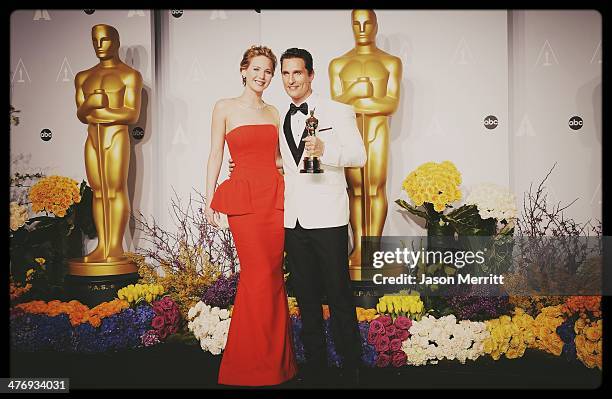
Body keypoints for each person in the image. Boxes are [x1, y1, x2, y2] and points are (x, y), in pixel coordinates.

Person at [204, 45, 297, 386]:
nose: (262, 76)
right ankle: (248, 366)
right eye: (256, 69)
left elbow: (279, 158)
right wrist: (210, 197)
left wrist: (267, 163)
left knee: (273, 276)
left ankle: (277, 364)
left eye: (268, 71)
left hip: (274, 197)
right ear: (244, 70)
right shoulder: (224, 107)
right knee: (256, 275)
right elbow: (216, 152)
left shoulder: (275, 111)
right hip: (244, 201)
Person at [278, 48, 366, 386]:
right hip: (294, 219)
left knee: (338, 292)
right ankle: (315, 364)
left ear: (311, 75)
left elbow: (359, 155)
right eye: (286, 74)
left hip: (328, 217)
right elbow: (288, 164)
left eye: (297, 73)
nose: (291, 80)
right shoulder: (279, 117)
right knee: (305, 295)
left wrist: (327, 151)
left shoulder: (337, 111)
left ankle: (352, 363)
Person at [329, 9, 402, 276]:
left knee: (376, 188)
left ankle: (374, 249)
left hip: (377, 130)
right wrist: (355, 92)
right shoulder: (338, 64)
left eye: (367, 22)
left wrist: (360, 100)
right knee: (354, 190)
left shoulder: (390, 62)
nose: (361, 27)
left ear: (376, 25)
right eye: (356, 23)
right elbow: (335, 105)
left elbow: (391, 103)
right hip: (349, 133)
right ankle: (359, 248)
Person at [72, 24, 142, 275]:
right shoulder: (83, 76)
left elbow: (131, 113)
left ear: (116, 41)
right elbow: (81, 114)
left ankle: (115, 246)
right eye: (95, 40)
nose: (99, 45)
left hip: (115, 136)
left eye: (104, 40)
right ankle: (103, 245)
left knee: (115, 189)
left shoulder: (129, 75)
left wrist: (99, 110)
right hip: (92, 137)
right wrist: (91, 102)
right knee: (98, 191)